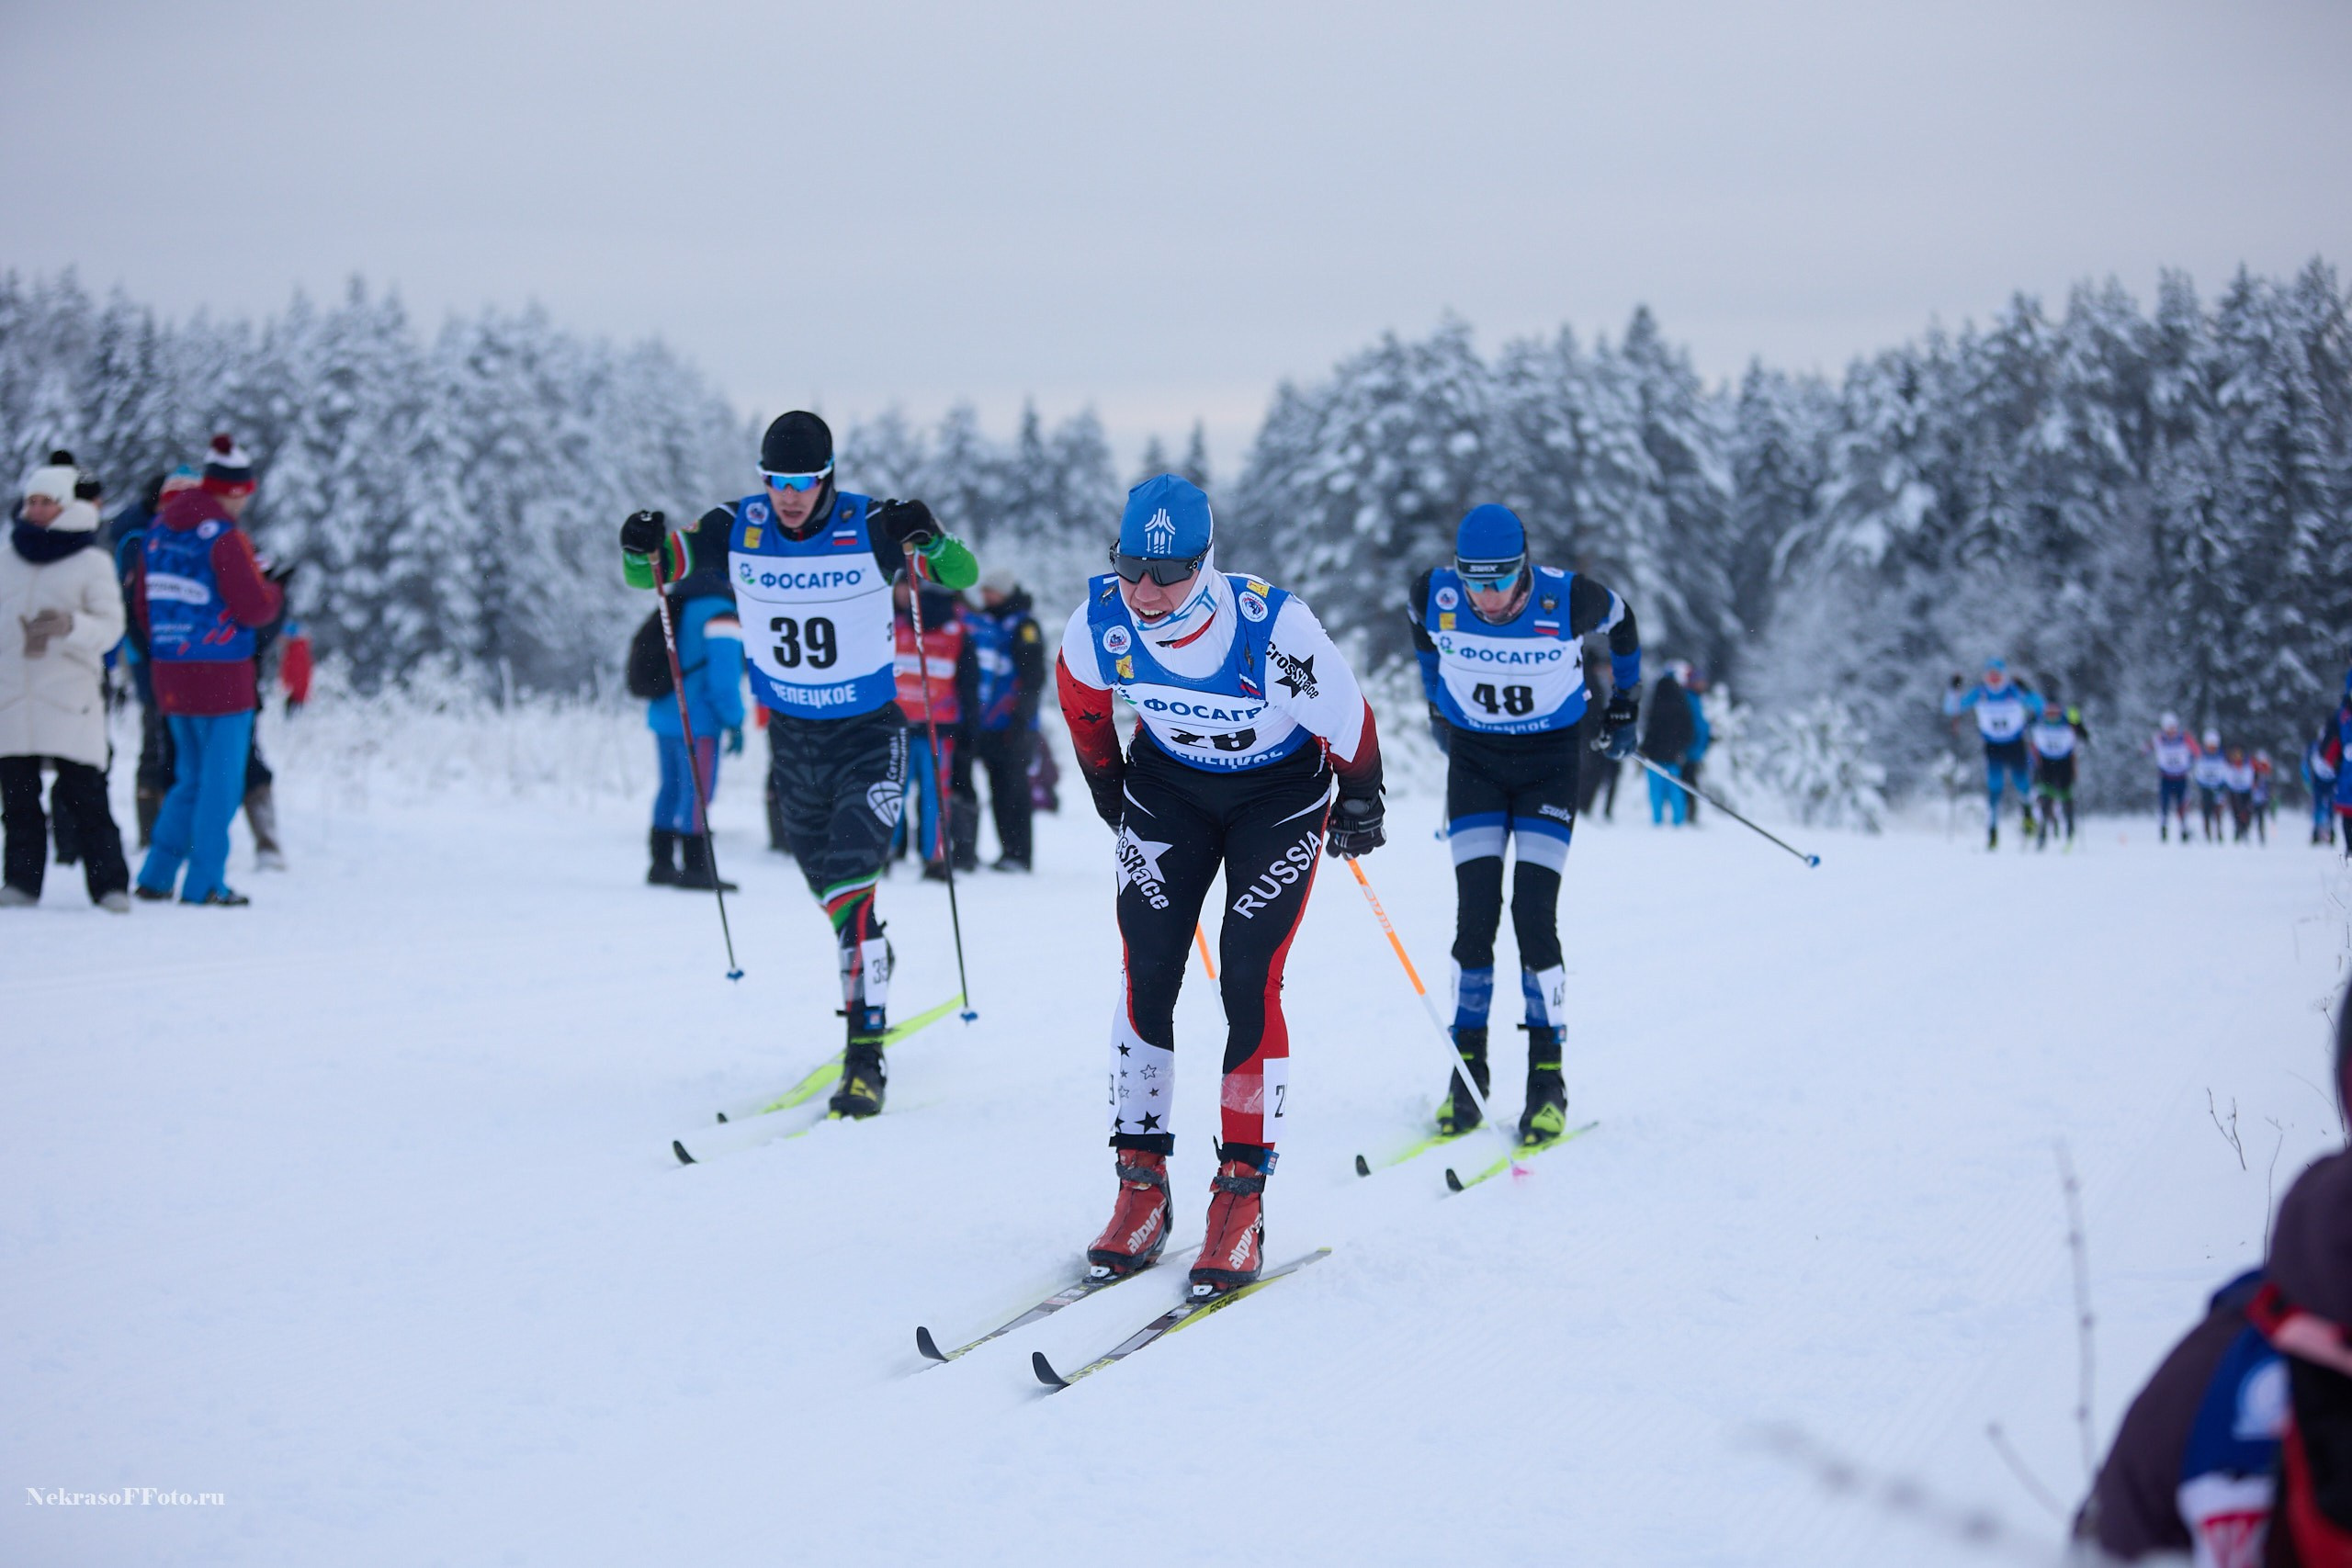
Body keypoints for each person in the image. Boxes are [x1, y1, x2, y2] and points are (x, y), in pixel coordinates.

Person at [1060, 474, 1384, 1299]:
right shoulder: (1102, 620)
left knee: (1246, 971)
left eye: (1168, 573)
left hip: (1277, 795)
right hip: (1171, 788)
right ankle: (1140, 1186)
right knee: (1150, 966)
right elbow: (1082, 701)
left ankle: (1240, 1197)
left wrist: (1362, 797)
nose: (1146, 590)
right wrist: (1106, 781)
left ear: (1207, 563)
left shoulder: (1271, 628)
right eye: (1132, 565)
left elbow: (1348, 720)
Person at [619, 411, 975, 1118]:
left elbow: (957, 572)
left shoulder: (869, 526)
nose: (788, 496)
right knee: (837, 898)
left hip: (869, 738)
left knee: (851, 876)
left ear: (827, 477)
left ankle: (864, 1056)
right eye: (776, 481)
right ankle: (868, 952)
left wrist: (928, 535)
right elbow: (652, 574)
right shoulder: (736, 526)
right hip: (794, 743)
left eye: (802, 482)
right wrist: (641, 543)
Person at [1408, 503, 1640, 1143]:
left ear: (1524, 566)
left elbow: (1625, 627)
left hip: (1547, 767)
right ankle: (1468, 1073)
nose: (1486, 595)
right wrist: (1436, 703)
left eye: (1500, 579)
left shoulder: (1570, 599)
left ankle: (1547, 1079)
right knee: (1474, 916)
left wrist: (1626, 705)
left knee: (1533, 915)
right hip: (1476, 764)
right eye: (1474, 579)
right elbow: (1420, 630)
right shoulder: (1435, 594)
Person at [130, 435, 282, 907]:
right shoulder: (223, 536)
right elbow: (253, 607)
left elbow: (142, 607)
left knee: (190, 777)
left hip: (172, 671)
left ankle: (157, 874)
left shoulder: (156, 533)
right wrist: (276, 592)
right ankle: (205, 882)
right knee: (221, 782)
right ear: (234, 490)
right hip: (223, 677)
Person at [1, 458, 130, 909]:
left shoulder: (92, 561)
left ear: (65, 506)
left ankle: (110, 885)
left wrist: (68, 626)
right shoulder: (6, 555)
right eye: (32, 501)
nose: (36, 510)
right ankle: (20, 883)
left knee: (85, 796)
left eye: (47, 502)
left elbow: (112, 627)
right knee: (17, 801)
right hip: (13, 693)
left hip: (69, 692)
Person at [636, 510, 744, 891]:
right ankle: (696, 867)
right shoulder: (721, 612)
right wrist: (734, 720)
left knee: (670, 787)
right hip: (698, 720)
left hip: (665, 713)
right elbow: (724, 678)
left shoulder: (678, 599)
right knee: (698, 791)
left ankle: (661, 861)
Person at [111, 466, 202, 845]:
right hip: (152, 657)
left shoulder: (198, 538)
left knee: (184, 745)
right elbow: (133, 607)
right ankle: (153, 834)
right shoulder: (143, 540)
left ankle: (177, 829)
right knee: (158, 740)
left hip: (185, 658)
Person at [891, 577, 978, 880]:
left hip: (898, 722)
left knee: (891, 791)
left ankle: (885, 853)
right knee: (936, 796)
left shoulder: (899, 624)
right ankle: (934, 858)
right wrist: (970, 727)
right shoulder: (958, 630)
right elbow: (969, 684)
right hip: (938, 725)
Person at [962, 568, 1047, 871]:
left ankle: (1019, 854)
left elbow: (1033, 676)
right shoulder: (988, 622)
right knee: (997, 788)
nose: (986, 597)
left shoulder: (1024, 625)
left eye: (992, 591)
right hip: (988, 723)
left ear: (1006, 592)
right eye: (984, 591)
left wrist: (1021, 717)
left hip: (1014, 724)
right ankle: (1006, 852)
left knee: (1014, 789)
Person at [1943, 657, 2042, 850]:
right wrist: (1952, 690)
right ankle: (1992, 830)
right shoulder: (1980, 693)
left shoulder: (2013, 691)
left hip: (2015, 744)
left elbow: (2039, 706)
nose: (1994, 680)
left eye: (1997, 676)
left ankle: (2028, 815)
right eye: (1990, 676)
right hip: (1993, 746)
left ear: (2004, 676)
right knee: (1994, 787)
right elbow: (1951, 708)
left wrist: (2027, 690)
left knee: (2022, 783)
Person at [2028, 696, 2089, 851]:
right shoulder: (2039, 721)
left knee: (2066, 796)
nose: (2052, 715)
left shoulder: (2067, 720)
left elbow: (2084, 736)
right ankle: (2042, 833)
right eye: (2049, 711)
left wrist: (2077, 721)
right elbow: (2025, 726)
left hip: (2065, 763)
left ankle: (2070, 828)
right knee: (2046, 799)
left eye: (2055, 711)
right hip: (2046, 763)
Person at [1641, 662, 1695, 826]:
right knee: (1675, 789)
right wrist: (1681, 748)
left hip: (1655, 755)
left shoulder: (1656, 702)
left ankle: (1657, 819)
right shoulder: (1681, 701)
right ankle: (1678, 820)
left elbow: (1650, 730)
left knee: (1655, 790)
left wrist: (1645, 748)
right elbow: (1688, 729)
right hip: (1673, 755)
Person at [2148, 712, 2197, 846]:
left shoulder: (2184, 738)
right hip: (2166, 778)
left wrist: (2191, 760)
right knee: (2164, 804)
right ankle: (2163, 828)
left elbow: (2197, 751)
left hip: (2181, 777)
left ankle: (2184, 830)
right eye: (2169, 727)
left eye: (2173, 727)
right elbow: (2146, 749)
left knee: (2182, 805)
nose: (2171, 730)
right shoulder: (2159, 739)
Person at [1679, 663, 1711, 825]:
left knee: (1691, 782)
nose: (1703, 684)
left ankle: (1691, 814)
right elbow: (1691, 725)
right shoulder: (1688, 698)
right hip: (1689, 751)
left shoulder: (1696, 698)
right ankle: (1687, 815)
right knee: (1688, 783)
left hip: (1696, 751)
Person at [2192, 730, 2232, 844]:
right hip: (2205, 787)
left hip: (2218, 787)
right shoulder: (2201, 756)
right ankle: (2207, 832)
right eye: (2210, 745)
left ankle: (2219, 831)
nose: (2211, 748)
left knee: (2218, 810)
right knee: (2206, 810)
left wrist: (2222, 783)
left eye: (2213, 745)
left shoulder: (2222, 756)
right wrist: (2203, 783)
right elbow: (2198, 771)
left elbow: (2226, 771)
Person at [2307, 730, 2337, 848]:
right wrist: (2308, 780)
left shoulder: (2335, 745)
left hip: (2331, 782)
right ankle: (2316, 830)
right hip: (2318, 782)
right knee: (2318, 806)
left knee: (2330, 807)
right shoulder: (2313, 747)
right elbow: (2306, 764)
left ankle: (2330, 831)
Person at [2223, 745, 2257, 844]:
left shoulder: (2248, 764)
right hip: (2234, 792)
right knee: (2236, 812)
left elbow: (2252, 776)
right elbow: (2228, 778)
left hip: (2246, 792)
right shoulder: (2230, 765)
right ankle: (2238, 830)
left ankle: (2245, 830)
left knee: (2246, 812)